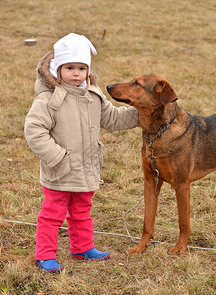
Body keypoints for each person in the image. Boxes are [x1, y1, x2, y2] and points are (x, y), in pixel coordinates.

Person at [24, 33, 139, 273]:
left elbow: (113, 117)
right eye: (69, 68)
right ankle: (45, 254)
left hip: (85, 168)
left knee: (81, 212)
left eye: (81, 68)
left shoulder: (93, 96)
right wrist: (56, 155)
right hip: (60, 169)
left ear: (88, 70)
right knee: (52, 214)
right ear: (58, 69)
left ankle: (82, 247)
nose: (76, 73)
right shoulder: (48, 100)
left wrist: (141, 114)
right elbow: (34, 130)